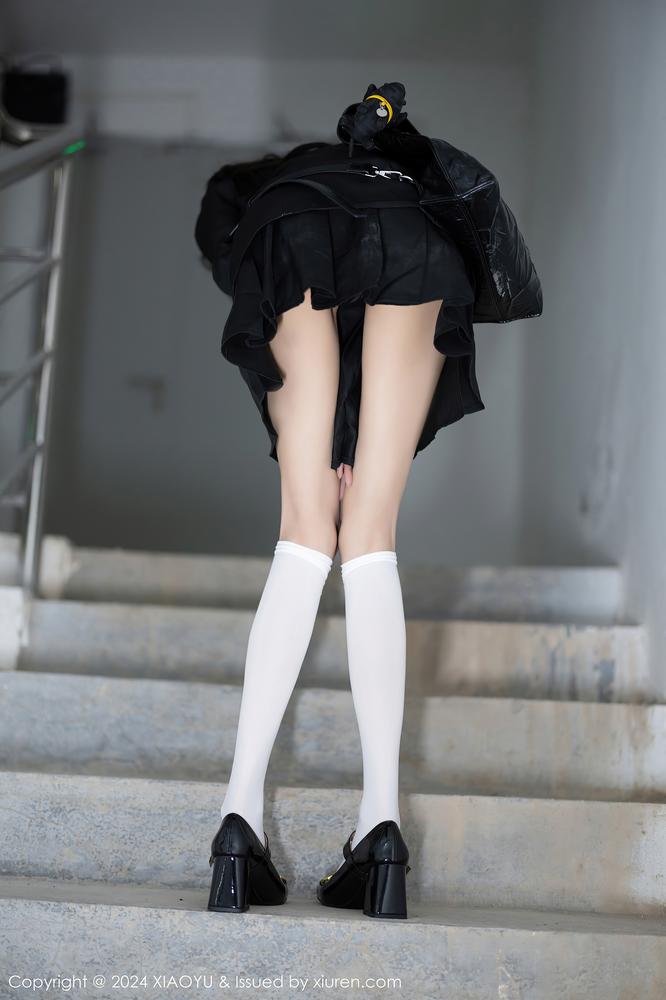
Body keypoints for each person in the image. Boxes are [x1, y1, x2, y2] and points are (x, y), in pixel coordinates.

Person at [195, 82, 542, 919]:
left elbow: (296, 368)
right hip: (412, 230)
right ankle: (381, 826)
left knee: (304, 530)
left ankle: (238, 820)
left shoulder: (273, 195)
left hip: (289, 229)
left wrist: (314, 472)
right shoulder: (381, 173)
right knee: (371, 535)